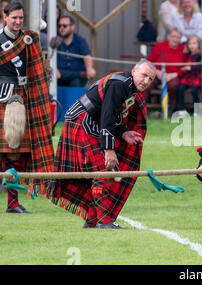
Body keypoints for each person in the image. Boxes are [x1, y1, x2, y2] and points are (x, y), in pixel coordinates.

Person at [47, 60, 156, 229]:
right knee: (103, 171)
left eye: (151, 79)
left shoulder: (129, 87)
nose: (147, 81)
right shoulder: (119, 84)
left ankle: (92, 220)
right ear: (134, 71)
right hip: (81, 121)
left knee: (102, 172)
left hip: (90, 122)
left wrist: (124, 132)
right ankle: (104, 221)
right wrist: (109, 150)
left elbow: (112, 115)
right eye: (144, 75)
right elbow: (107, 117)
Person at [0, 1, 54, 213]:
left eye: (21, 18)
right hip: (3, 98)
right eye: (14, 18)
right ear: (5, 17)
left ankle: (13, 203)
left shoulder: (29, 39)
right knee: (7, 151)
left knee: (18, 152)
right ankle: (12, 202)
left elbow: (37, 69)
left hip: (24, 98)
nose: (18, 21)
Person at [147, 28, 185, 111]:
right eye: (173, 36)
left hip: (173, 76)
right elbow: (149, 62)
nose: (175, 39)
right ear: (168, 37)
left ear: (180, 39)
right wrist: (157, 72)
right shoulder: (160, 46)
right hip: (157, 73)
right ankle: (141, 109)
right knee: (146, 82)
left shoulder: (183, 49)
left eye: (178, 37)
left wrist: (174, 75)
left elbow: (185, 67)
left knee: (173, 85)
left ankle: (171, 110)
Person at [56, 15, 96, 87]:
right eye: (59, 26)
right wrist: (52, 68)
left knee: (76, 82)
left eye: (64, 26)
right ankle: (80, 74)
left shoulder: (80, 41)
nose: (61, 28)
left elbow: (87, 56)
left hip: (76, 79)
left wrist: (89, 68)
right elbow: (48, 56)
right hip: (60, 76)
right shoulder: (55, 40)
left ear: (72, 27)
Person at [177, 35, 202, 115]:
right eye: (190, 44)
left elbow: (201, 67)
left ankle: (197, 111)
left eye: (194, 43)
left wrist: (190, 68)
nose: (192, 46)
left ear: (198, 44)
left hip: (197, 76)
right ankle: (181, 109)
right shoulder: (187, 54)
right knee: (181, 88)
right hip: (188, 76)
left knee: (194, 90)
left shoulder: (200, 55)